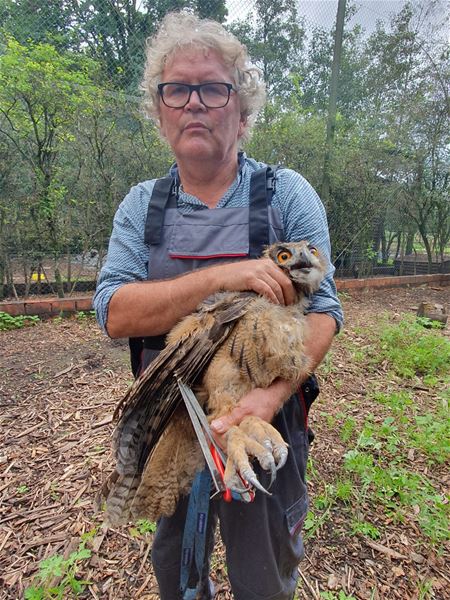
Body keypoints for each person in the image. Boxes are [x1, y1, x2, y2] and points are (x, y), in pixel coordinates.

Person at [94, 11, 343, 600]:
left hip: (265, 415)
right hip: (171, 416)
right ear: (159, 110)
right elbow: (114, 312)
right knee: (176, 571)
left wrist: (266, 400)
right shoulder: (141, 208)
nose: (194, 104)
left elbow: (325, 309)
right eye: (177, 90)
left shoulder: (287, 194)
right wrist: (226, 277)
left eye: (213, 88)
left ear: (242, 108)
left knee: (265, 571)